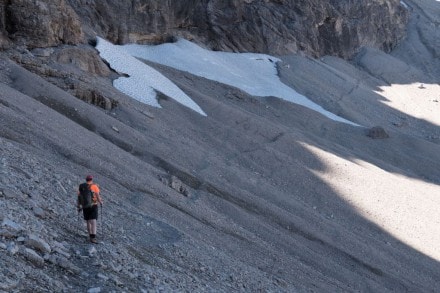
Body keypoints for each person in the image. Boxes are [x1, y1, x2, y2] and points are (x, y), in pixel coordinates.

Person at [77, 175, 103, 243]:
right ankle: (93, 237)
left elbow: (79, 196)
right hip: (93, 205)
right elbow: (97, 195)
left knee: (88, 221)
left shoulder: (81, 186)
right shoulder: (94, 186)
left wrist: (79, 205)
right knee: (93, 221)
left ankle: (89, 236)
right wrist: (101, 202)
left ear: (86, 180)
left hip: (85, 206)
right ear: (91, 179)